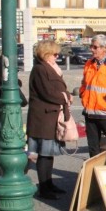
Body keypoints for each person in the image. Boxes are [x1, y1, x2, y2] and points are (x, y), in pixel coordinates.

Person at [28, 40, 72, 199]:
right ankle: (44, 188)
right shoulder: (40, 69)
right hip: (43, 117)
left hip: (50, 115)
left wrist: (64, 96)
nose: (57, 56)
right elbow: (47, 92)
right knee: (44, 154)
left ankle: (49, 184)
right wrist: (66, 97)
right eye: (55, 54)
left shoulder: (50, 68)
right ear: (46, 54)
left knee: (49, 154)